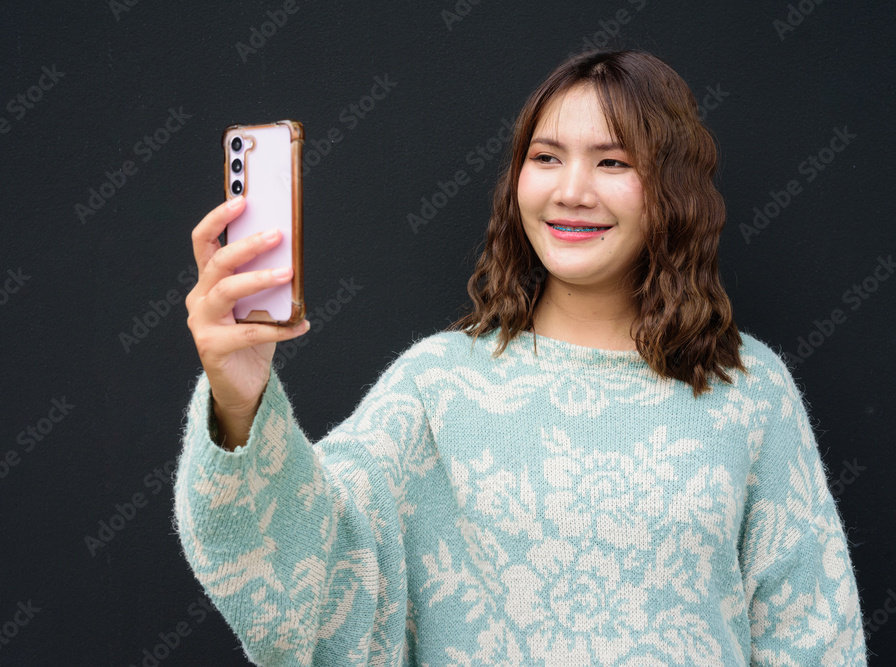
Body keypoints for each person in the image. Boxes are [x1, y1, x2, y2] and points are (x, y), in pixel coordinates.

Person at [173, 49, 868, 665]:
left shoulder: (749, 389)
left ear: (672, 188)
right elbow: (315, 582)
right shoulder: (438, 386)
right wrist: (240, 400)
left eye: (613, 161)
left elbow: (813, 635)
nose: (571, 189)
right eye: (546, 156)